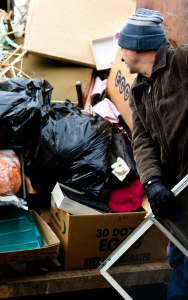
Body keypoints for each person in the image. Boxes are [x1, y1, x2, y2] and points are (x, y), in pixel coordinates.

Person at [118, 8, 188, 300]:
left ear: (137, 46)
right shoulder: (138, 91)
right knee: (181, 258)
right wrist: (153, 183)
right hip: (179, 194)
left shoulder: (181, 62)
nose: (119, 53)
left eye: (122, 45)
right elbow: (143, 142)